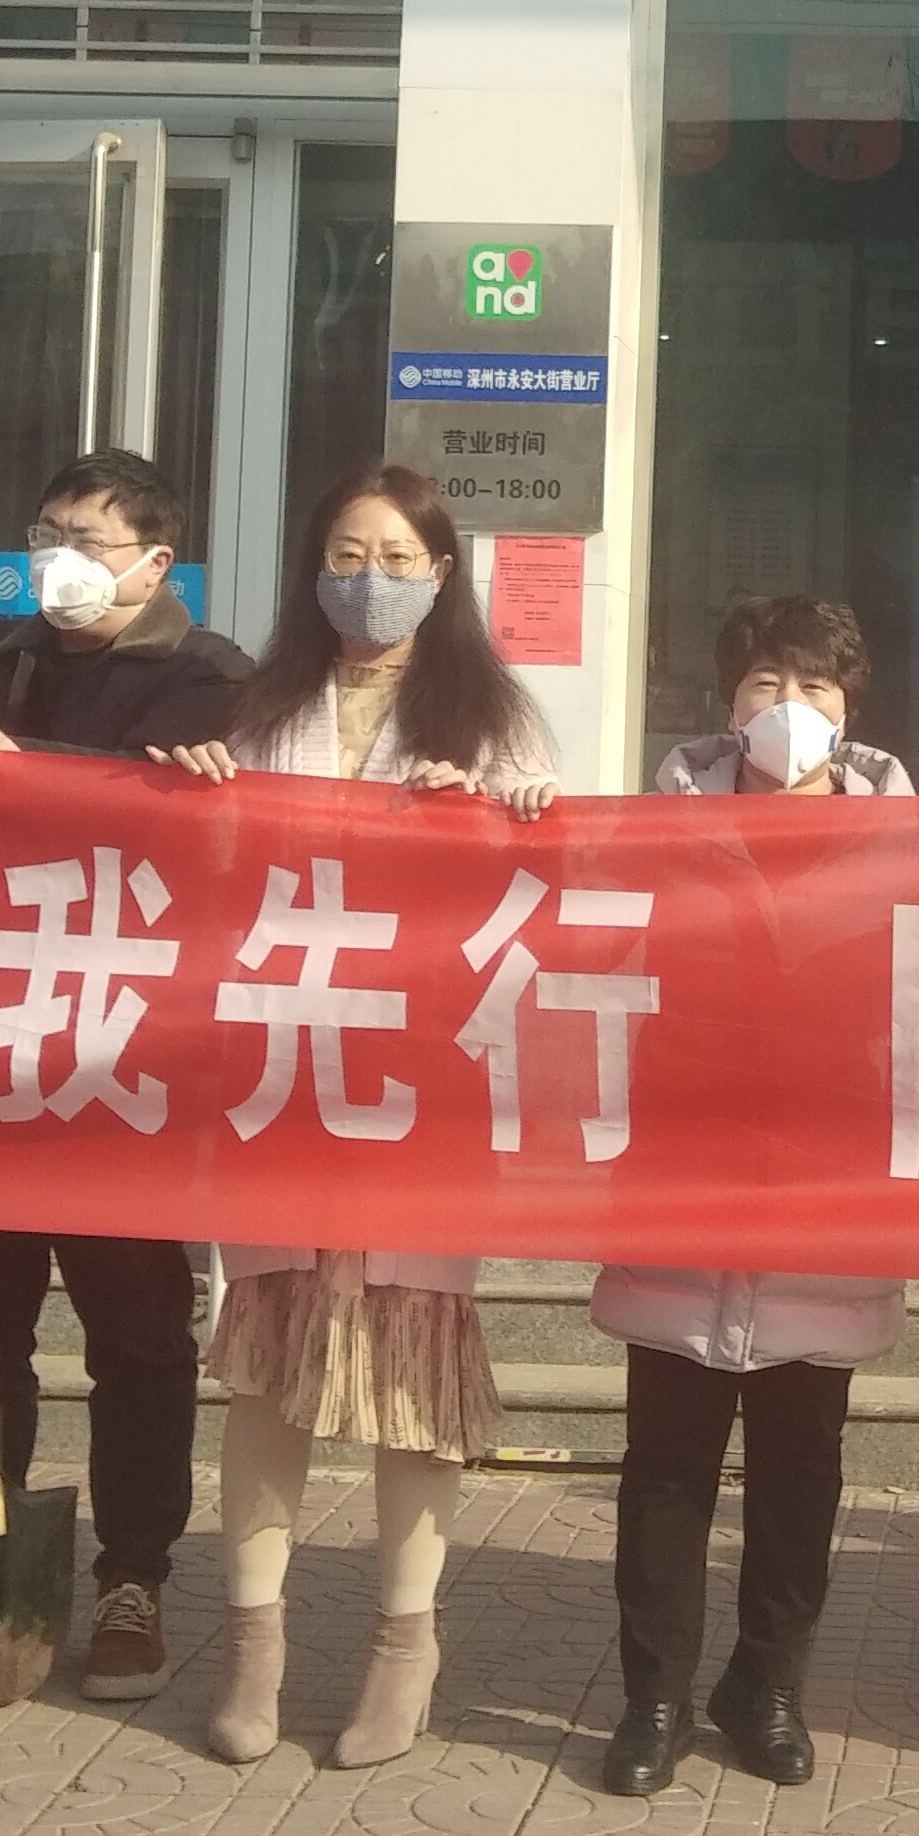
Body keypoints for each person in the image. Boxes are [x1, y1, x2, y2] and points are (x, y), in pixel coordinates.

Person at [161, 461, 556, 1768]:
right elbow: (204, 888)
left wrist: (498, 820)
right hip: (281, 1072)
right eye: (346, 555)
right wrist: (198, 795)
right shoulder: (257, 707)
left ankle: (404, 1642)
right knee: (268, 1360)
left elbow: (541, 897)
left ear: (441, 576)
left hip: (421, 1088)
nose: (369, 581)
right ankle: (253, 1643)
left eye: (396, 560)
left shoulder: (496, 718)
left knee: (412, 1370)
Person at [0, 447, 250, 1702]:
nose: (56, 560)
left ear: (156, 563)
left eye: (86, 541)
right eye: (44, 533)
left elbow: (197, 835)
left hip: (124, 1056)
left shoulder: (211, 681)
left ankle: (134, 1575)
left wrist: (26, 771)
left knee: (139, 1335)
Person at [592, 594, 916, 1798]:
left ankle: (767, 1686)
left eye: (815, 688)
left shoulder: (912, 843)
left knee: (800, 1465)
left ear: (851, 706)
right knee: (665, 1464)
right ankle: (654, 1698)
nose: (791, 710)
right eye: (766, 686)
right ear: (726, 705)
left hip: (826, 1190)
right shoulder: (655, 829)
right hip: (685, 1179)